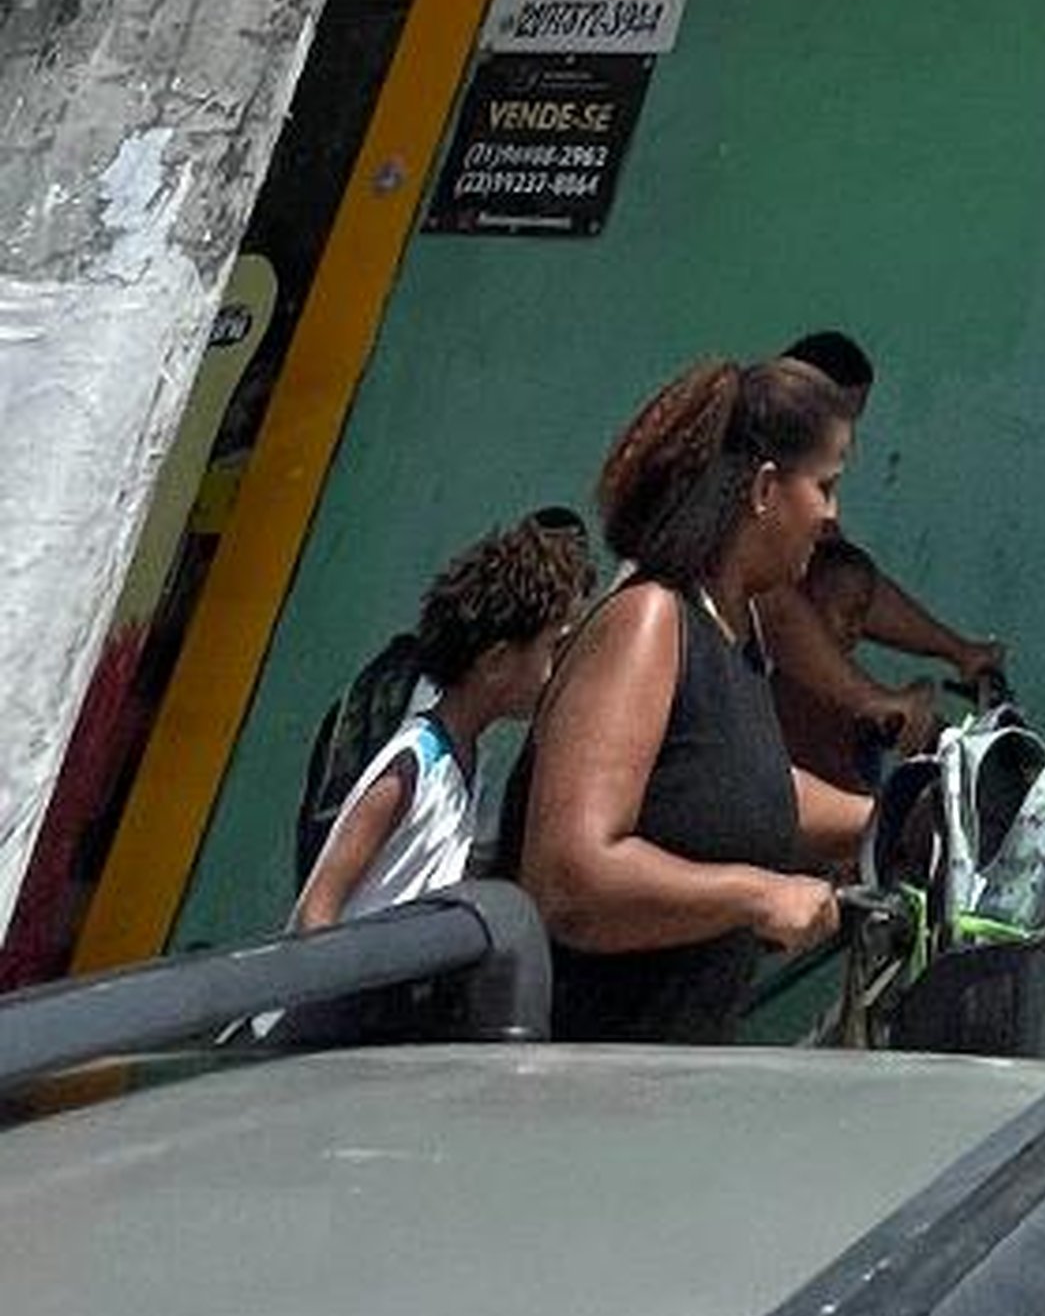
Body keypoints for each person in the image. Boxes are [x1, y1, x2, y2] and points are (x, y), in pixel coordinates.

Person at [522, 355, 869, 1039]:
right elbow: (571, 875)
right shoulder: (650, 622)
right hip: (574, 1087)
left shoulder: (735, 631)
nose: (832, 516)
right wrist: (758, 896)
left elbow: (738, 787)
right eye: (825, 487)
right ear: (765, 490)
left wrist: (896, 817)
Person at [287, 512, 588, 934]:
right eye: (551, 648)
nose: (555, 669)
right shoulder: (413, 764)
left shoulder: (468, 763)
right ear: (497, 661)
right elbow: (316, 910)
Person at [761, 329, 1008, 795]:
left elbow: (855, 584)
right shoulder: (742, 497)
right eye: (842, 417)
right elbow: (781, 612)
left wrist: (958, 650)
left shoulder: (799, 498)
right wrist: (871, 700)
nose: (849, 435)